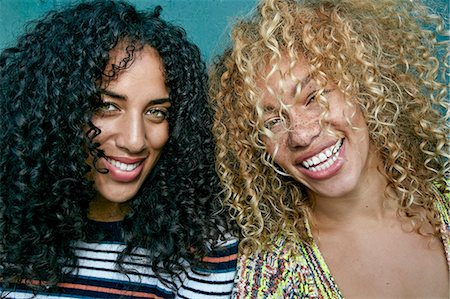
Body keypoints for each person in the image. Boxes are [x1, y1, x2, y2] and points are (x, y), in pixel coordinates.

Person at [209, 0, 449, 297]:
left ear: (364, 86)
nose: (302, 134)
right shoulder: (272, 274)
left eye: (314, 97)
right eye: (272, 121)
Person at [0, 1, 237, 298]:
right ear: (55, 110)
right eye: (108, 106)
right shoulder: (8, 230)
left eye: (157, 112)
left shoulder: (201, 244)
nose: (135, 140)